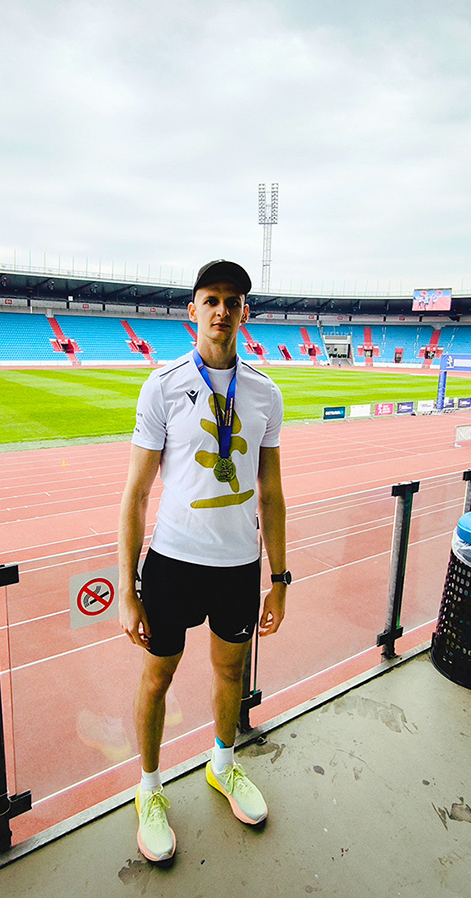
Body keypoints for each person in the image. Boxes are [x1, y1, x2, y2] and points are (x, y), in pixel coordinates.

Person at [118, 259, 288, 863]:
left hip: (239, 568)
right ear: (193, 310)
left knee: (228, 674)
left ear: (245, 313)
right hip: (172, 563)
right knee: (158, 676)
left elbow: (271, 492)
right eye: (211, 299)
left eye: (233, 301)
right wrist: (128, 587)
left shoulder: (266, 392)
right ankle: (149, 789)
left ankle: (222, 763)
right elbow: (136, 494)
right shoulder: (161, 387)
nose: (222, 310)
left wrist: (279, 579)